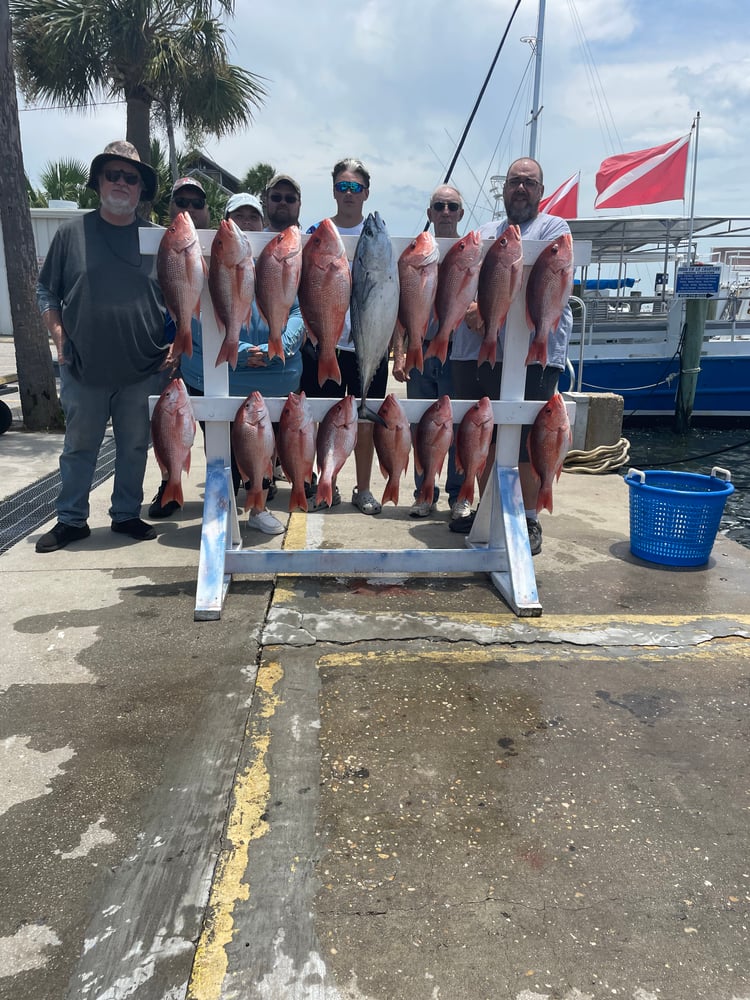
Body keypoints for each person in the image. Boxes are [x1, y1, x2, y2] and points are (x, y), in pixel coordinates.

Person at [35, 140, 168, 553]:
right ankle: (71, 519)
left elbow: (183, 294)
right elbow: (46, 291)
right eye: (114, 174)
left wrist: (178, 342)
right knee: (79, 446)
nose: (122, 183)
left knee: (134, 445)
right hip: (83, 364)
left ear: (141, 189)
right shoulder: (71, 233)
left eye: (131, 178)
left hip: (143, 366)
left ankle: (126, 513)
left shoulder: (159, 239)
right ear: (98, 181)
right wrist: (58, 337)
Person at [450, 156, 574, 556]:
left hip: (536, 352)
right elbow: (466, 281)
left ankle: (529, 517)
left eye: (529, 182)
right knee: (482, 432)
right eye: (514, 181)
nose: (521, 188)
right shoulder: (484, 233)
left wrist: (487, 310)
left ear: (540, 190)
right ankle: (490, 510)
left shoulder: (555, 230)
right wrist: (474, 310)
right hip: (482, 352)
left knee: (529, 438)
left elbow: (547, 285)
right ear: (503, 189)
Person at [301, 157, 386, 516]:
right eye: (342, 186)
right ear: (333, 190)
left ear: (366, 193)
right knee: (324, 416)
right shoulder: (316, 234)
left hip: (369, 345)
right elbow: (302, 288)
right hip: (327, 343)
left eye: (356, 187)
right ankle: (327, 483)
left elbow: (390, 292)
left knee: (365, 420)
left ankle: (363, 488)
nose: (349, 193)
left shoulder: (380, 237)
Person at [392, 184, 467, 520]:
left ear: (461, 213)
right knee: (423, 423)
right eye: (439, 206)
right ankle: (424, 492)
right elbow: (401, 308)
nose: (446, 212)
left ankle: (458, 495)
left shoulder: (470, 250)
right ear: (429, 213)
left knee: (458, 426)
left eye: (452, 206)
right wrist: (400, 352)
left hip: (460, 351)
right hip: (421, 349)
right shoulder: (416, 253)